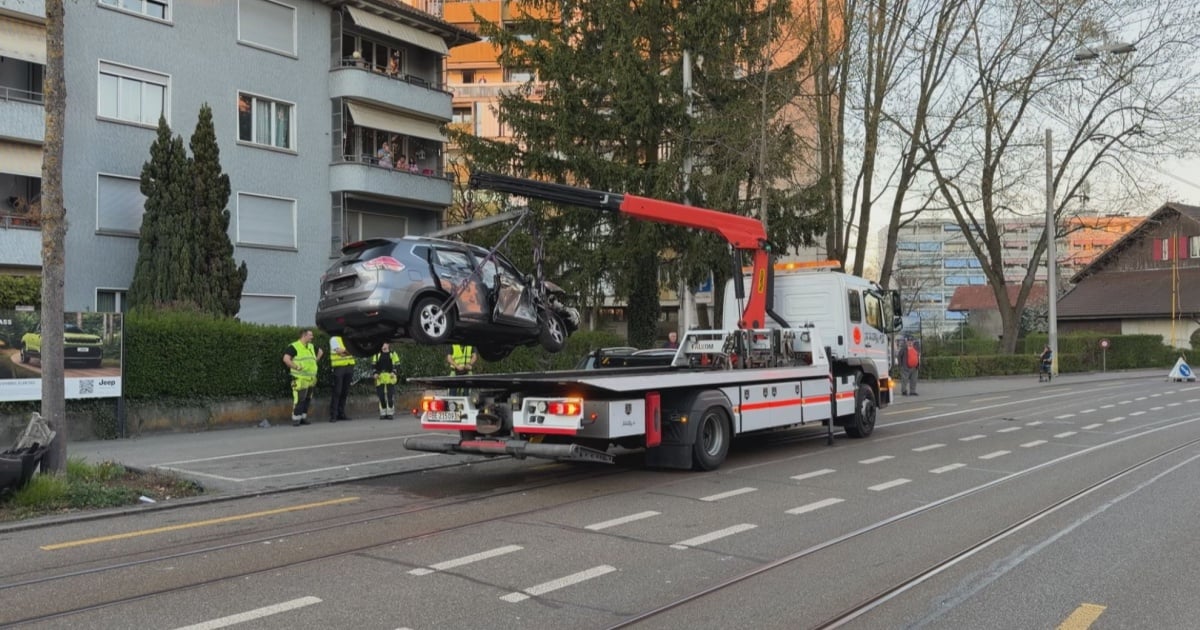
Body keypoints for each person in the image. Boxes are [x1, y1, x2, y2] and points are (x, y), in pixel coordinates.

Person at [283, 330, 323, 426]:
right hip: (299, 378)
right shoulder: (294, 346)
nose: (312, 337)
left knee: (307, 399)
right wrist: (296, 367)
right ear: (304, 336)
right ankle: (296, 419)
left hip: (311, 378)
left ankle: (303, 418)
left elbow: (321, 352)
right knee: (299, 399)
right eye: (310, 335)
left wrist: (316, 360)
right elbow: (286, 359)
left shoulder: (311, 346)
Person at [328, 335, 355, 421]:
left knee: (345, 391)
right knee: (337, 391)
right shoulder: (334, 339)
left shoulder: (348, 338)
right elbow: (339, 351)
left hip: (349, 366)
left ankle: (341, 413)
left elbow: (354, 351)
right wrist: (349, 351)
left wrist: (346, 352)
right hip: (339, 367)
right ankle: (333, 415)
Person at [372, 343, 401, 419]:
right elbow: (373, 365)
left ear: (388, 345)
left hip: (390, 377)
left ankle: (390, 413)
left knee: (389, 396)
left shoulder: (393, 354)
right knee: (381, 396)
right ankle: (383, 413)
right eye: (381, 345)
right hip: (380, 377)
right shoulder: (377, 354)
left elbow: (397, 364)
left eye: (384, 344)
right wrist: (375, 373)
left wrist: (394, 372)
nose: (382, 346)